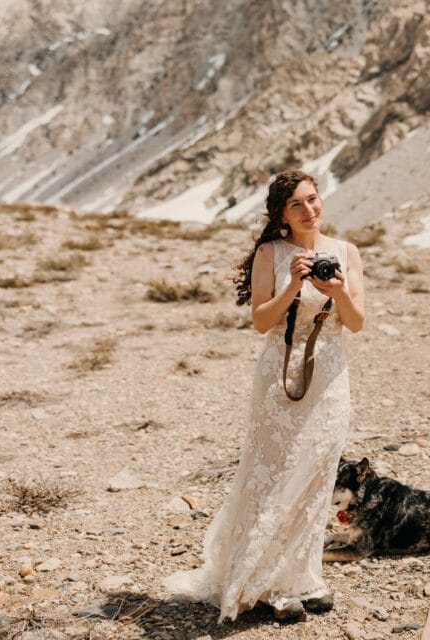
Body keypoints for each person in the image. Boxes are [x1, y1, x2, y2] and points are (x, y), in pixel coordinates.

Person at [164, 170, 366, 622]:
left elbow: (355, 322)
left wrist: (336, 291)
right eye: (297, 204)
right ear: (281, 214)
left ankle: (303, 575)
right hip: (279, 374)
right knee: (275, 473)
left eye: (313, 199)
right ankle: (266, 581)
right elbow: (260, 320)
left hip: (330, 377)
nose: (309, 210)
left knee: (315, 476)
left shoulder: (346, 252)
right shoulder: (270, 254)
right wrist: (293, 285)